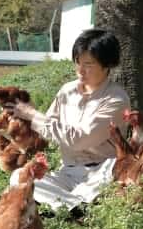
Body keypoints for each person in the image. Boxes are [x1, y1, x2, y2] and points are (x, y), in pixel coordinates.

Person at [7, 28, 131, 212]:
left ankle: (69, 207)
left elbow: (79, 139)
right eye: (77, 62)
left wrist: (32, 114)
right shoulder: (67, 91)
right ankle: (75, 207)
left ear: (107, 65)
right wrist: (15, 125)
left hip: (104, 171)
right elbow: (47, 127)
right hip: (69, 171)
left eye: (88, 64)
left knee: (94, 189)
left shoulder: (116, 100)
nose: (80, 70)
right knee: (19, 177)